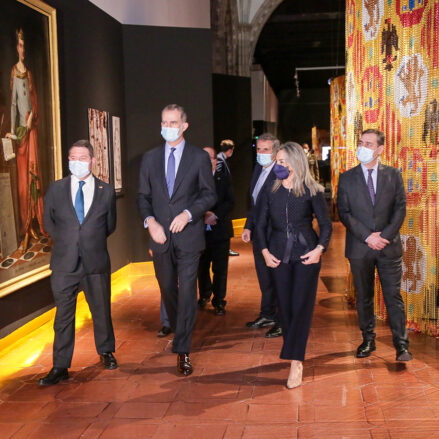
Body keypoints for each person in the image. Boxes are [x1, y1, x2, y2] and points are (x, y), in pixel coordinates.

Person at [137, 104, 216, 376]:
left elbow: (208, 195)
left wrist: (188, 214)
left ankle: (182, 350)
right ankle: (177, 326)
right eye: (164, 122)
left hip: (190, 238)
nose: (167, 127)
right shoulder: (149, 158)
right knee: (167, 287)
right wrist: (150, 222)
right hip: (160, 238)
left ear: (184, 125)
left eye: (173, 122)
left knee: (186, 292)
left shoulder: (198, 158)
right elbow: (143, 198)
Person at [39, 140, 117, 386]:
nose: (77, 162)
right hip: (64, 263)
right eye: (73, 157)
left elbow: (110, 225)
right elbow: (48, 223)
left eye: (83, 158)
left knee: (101, 310)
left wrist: (88, 239)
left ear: (93, 161)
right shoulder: (56, 189)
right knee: (63, 315)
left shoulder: (106, 191)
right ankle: (60, 366)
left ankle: (106, 351)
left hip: (95, 261)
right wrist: (68, 239)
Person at [256, 142, 332, 389]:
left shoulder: (312, 190)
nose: (279, 165)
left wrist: (319, 250)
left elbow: (326, 225)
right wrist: (265, 252)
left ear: (296, 162)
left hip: (306, 253)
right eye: (277, 161)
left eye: (283, 161)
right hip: (278, 254)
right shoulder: (271, 189)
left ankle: (296, 361)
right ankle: (293, 352)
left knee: (301, 306)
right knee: (285, 308)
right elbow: (259, 224)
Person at [337, 129, 411, 362]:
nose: (363, 147)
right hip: (360, 247)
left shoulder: (394, 175)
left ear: (380, 149)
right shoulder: (346, 177)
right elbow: (344, 213)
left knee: (393, 296)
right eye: (361, 142)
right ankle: (368, 339)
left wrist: (384, 236)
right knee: (364, 296)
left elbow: (400, 209)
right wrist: (368, 236)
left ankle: (401, 345)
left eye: (368, 144)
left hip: (388, 247)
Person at [6, 29, 46, 252]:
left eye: (24, 45)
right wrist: (13, 130)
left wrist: (32, 119)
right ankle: (25, 228)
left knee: (34, 180)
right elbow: (13, 105)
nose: (22, 49)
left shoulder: (29, 74)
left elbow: (34, 103)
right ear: (16, 48)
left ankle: (34, 225)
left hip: (32, 133)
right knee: (22, 184)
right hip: (21, 133)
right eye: (19, 45)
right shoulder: (14, 72)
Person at [242, 133, 282, 338]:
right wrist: (248, 226)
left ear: (275, 152)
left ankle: (281, 319)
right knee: (264, 277)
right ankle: (267, 313)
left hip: (275, 235)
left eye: (265, 150)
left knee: (278, 277)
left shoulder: (282, 172)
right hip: (259, 234)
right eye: (258, 149)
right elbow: (254, 203)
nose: (261, 153)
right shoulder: (258, 168)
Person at [198, 147, 234, 316]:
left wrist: (216, 216)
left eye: (209, 158)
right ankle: (204, 295)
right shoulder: (194, 178)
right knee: (201, 267)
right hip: (200, 231)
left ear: (215, 160)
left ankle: (219, 300)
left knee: (220, 268)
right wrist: (203, 214)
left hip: (220, 230)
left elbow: (230, 201)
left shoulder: (224, 177)